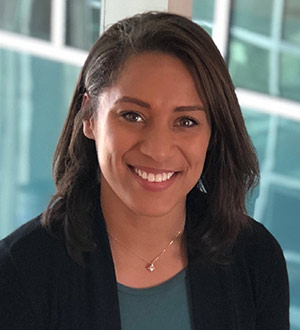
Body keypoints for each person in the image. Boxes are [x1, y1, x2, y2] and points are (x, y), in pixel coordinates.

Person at [0, 11, 289, 330]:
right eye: (132, 116)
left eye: (186, 121)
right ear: (91, 118)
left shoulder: (255, 257)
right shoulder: (19, 272)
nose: (158, 149)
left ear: (213, 135)